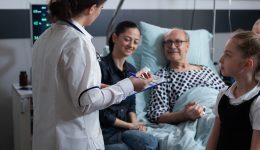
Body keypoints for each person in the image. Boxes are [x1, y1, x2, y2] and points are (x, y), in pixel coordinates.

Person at [31, 1, 152, 150]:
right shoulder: (78, 42)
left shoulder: (44, 38)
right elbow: (87, 102)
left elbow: (58, 84)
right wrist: (130, 85)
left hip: (46, 139)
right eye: (101, 8)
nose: (99, 12)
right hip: (74, 140)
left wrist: (96, 85)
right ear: (92, 8)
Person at [99, 21, 158, 150]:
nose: (131, 45)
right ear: (114, 38)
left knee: (151, 142)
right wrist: (130, 126)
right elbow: (101, 113)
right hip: (106, 132)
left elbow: (131, 104)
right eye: (127, 39)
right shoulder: (100, 68)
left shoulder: (131, 69)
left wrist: (135, 124)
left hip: (125, 130)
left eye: (136, 42)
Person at [146, 28, 225, 124]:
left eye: (178, 42)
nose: (172, 46)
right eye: (168, 42)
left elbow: (227, 94)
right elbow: (156, 115)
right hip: (199, 121)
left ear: (187, 46)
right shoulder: (160, 77)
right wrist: (184, 115)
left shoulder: (206, 70)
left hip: (219, 110)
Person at [206, 31, 260, 150]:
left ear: (247, 64)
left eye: (228, 55)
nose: (220, 60)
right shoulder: (223, 94)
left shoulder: (257, 103)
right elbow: (214, 137)